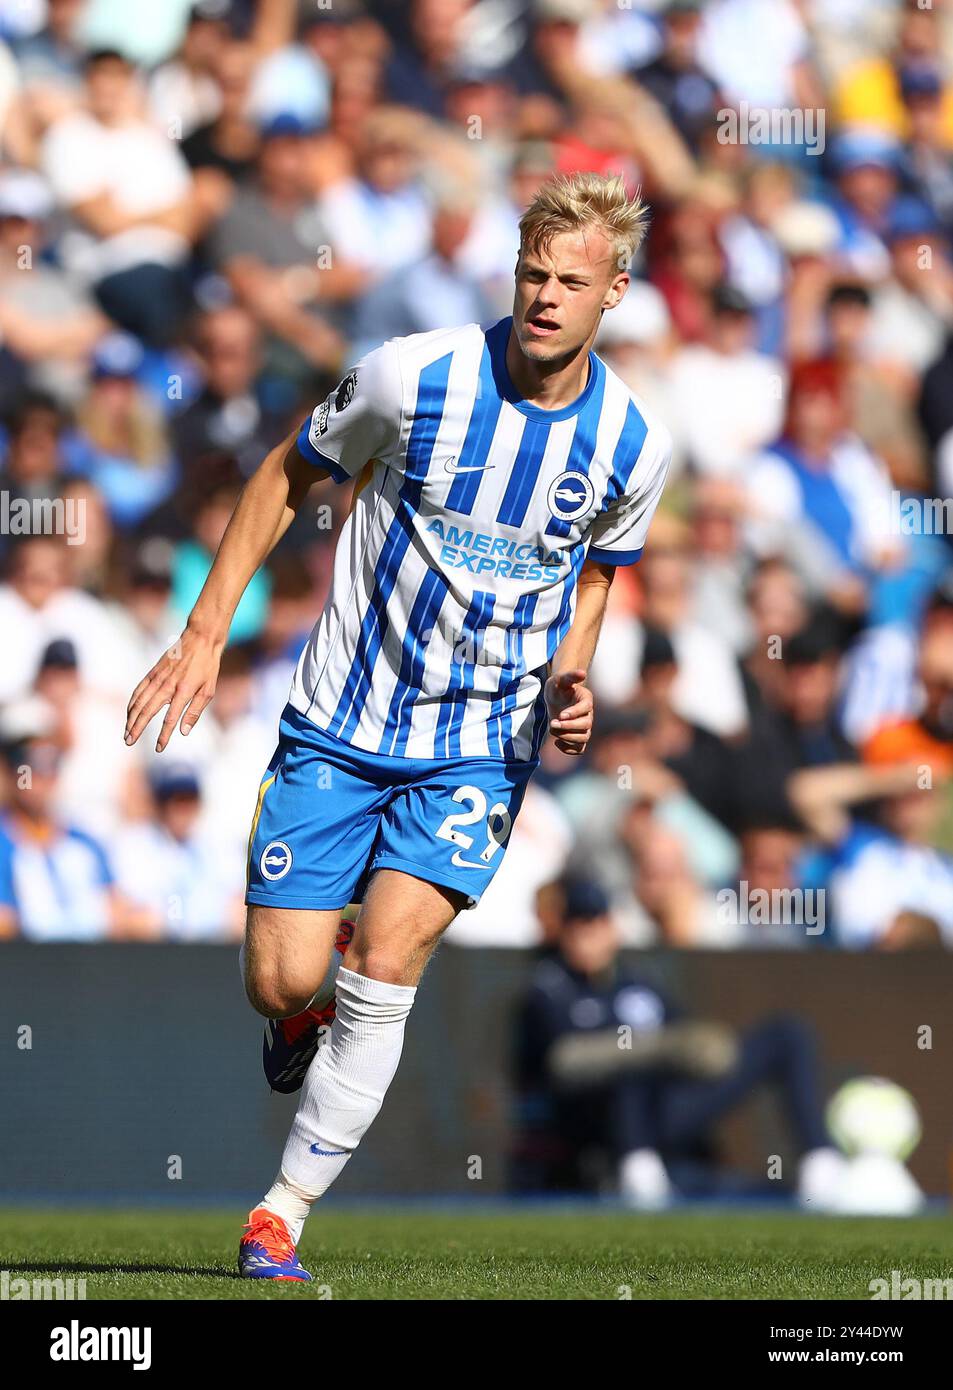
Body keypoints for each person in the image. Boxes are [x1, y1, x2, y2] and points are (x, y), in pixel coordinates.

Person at [123, 172, 672, 1280]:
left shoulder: (631, 444)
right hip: (342, 715)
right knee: (282, 980)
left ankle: (280, 1211)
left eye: (570, 280)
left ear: (614, 291)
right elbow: (287, 473)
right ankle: (298, 1011)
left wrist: (571, 674)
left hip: (478, 742)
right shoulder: (410, 377)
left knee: (388, 958)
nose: (545, 296)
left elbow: (597, 576)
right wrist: (204, 628)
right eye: (531, 273)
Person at [512, 875, 845, 1205]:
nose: (589, 934)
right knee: (626, 1061)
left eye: (597, 922)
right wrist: (657, 1049)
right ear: (564, 931)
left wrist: (699, 1049)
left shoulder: (638, 982)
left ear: (611, 927)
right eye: (578, 924)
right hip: (605, 1126)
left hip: (668, 1110)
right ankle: (638, 1172)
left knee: (786, 1034)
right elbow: (563, 1063)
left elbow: (683, 1038)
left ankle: (821, 1163)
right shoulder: (550, 988)